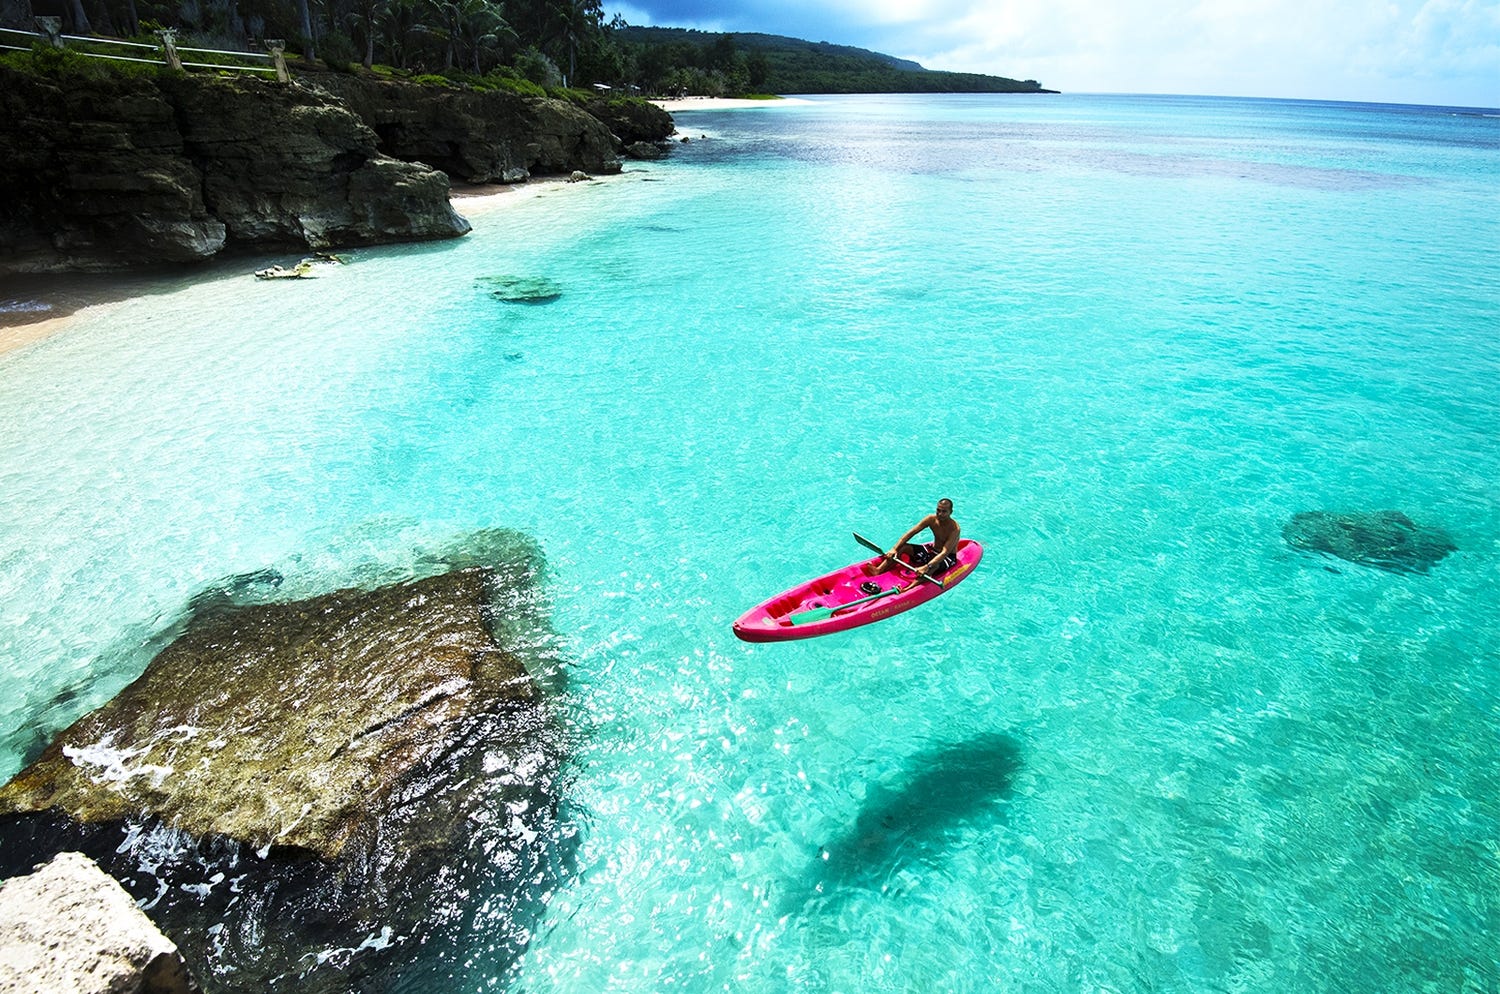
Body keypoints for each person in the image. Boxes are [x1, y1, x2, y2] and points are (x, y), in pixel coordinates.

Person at [872, 498, 961, 586]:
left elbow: (945, 552)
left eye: (944, 511)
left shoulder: (954, 529)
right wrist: (894, 549)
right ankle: (879, 570)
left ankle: (909, 588)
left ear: (951, 512)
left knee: (934, 566)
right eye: (938, 510)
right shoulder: (931, 519)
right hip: (932, 551)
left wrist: (926, 567)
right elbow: (910, 533)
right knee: (903, 547)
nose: (940, 514)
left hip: (947, 557)